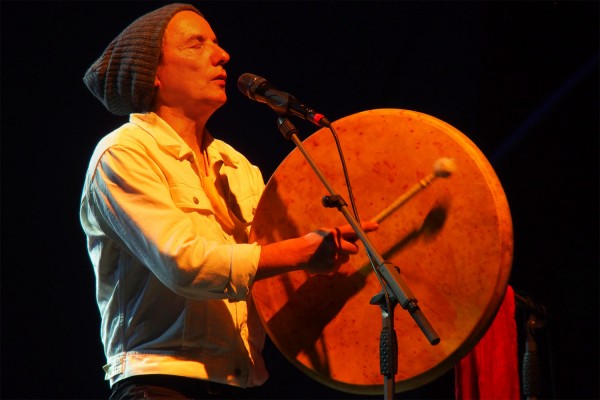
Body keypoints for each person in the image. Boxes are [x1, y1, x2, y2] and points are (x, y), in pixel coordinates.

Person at [80, 3, 378, 399]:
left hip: (241, 380)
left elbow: (265, 274)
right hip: (161, 383)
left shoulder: (237, 166)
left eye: (217, 43)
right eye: (196, 44)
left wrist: (328, 256)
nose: (222, 55)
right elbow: (184, 264)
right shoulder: (123, 153)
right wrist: (299, 253)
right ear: (152, 72)